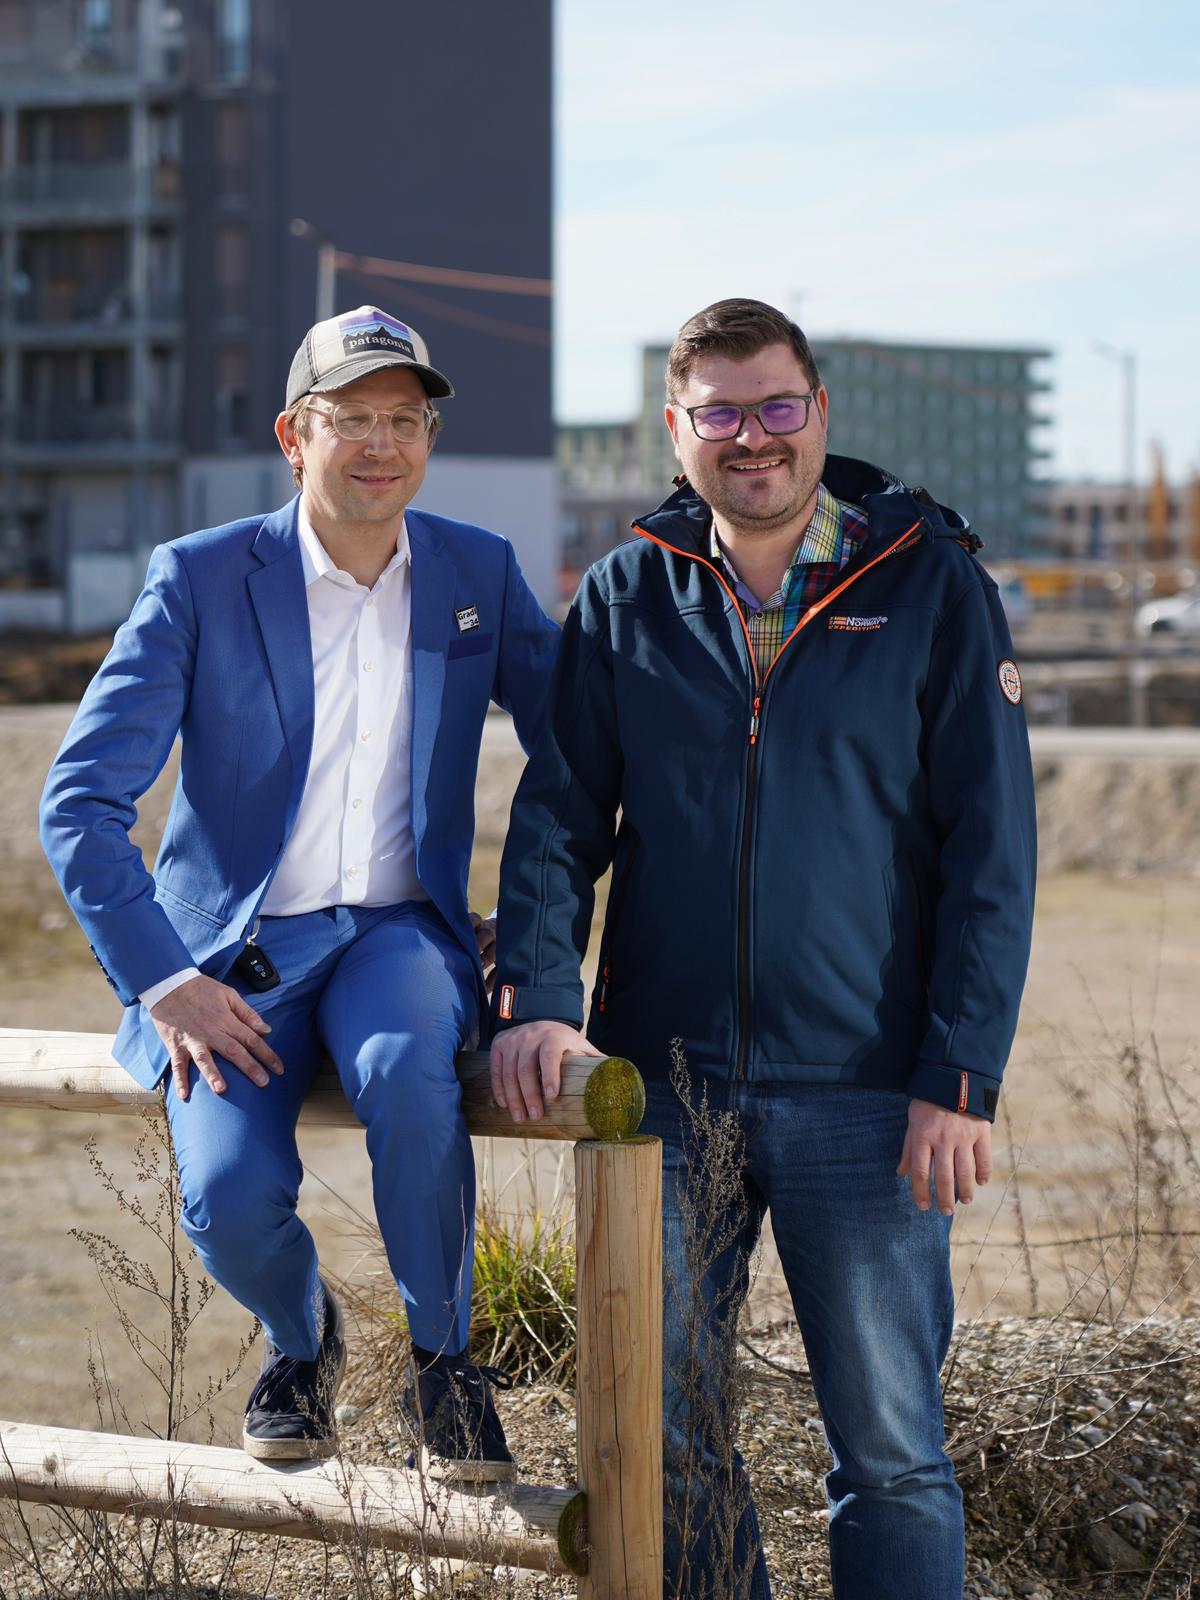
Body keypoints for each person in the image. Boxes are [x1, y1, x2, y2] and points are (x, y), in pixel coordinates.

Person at [489, 298, 1036, 1598]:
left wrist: (959, 1076)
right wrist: (542, 999)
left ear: (820, 415)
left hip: (870, 1089)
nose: (754, 437)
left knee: (893, 1454)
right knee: (668, 1444)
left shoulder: (928, 579)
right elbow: (560, 818)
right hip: (663, 1090)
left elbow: (992, 856)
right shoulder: (628, 592)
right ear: (676, 429)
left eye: (777, 407)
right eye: (720, 413)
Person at [41, 305, 559, 1474]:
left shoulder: (477, 570)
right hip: (233, 958)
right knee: (226, 1196)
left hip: (396, 935)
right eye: (352, 420)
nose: (382, 445)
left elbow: (584, 749)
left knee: (404, 1070)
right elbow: (78, 804)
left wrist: (534, 928)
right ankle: (301, 1335)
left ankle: (443, 1361)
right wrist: (166, 979)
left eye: (406, 420)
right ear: (294, 433)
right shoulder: (201, 577)